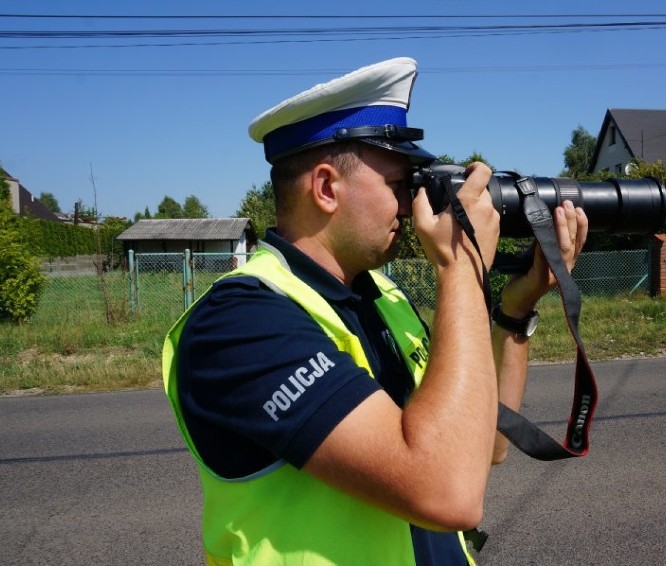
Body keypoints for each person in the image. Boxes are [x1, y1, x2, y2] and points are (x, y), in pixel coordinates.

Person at [162, 57, 587, 565]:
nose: (411, 207)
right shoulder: (239, 324)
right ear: (325, 188)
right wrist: (461, 270)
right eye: (398, 184)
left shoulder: (383, 299)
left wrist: (515, 309)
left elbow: (482, 447)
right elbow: (448, 490)